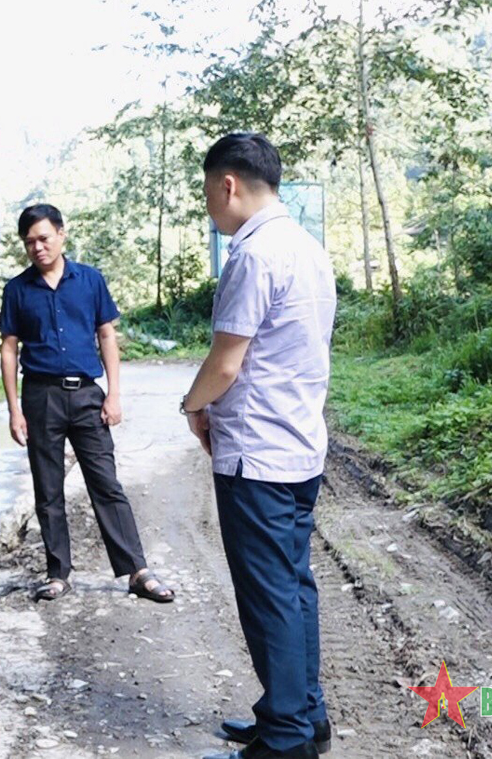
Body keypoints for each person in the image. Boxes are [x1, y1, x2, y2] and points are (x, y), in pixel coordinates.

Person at [181, 134, 336, 759]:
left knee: (268, 593)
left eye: (208, 195)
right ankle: (302, 713)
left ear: (228, 184)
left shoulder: (250, 255)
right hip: (300, 445)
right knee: (293, 586)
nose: (210, 210)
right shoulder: (307, 248)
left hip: (257, 455)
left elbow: (226, 362)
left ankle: (287, 737)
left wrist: (192, 407)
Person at [0, 203, 174, 604]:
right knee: (48, 488)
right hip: (40, 396)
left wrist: (113, 393)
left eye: (44, 238)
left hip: (86, 396)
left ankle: (137, 571)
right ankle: (58, 573)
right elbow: (9, 349)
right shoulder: (17, 290)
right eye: (29, 243)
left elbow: (106, 336)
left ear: (62, 234)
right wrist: (14, 409)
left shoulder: (90, 281)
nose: (38, 248)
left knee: (106, 483)